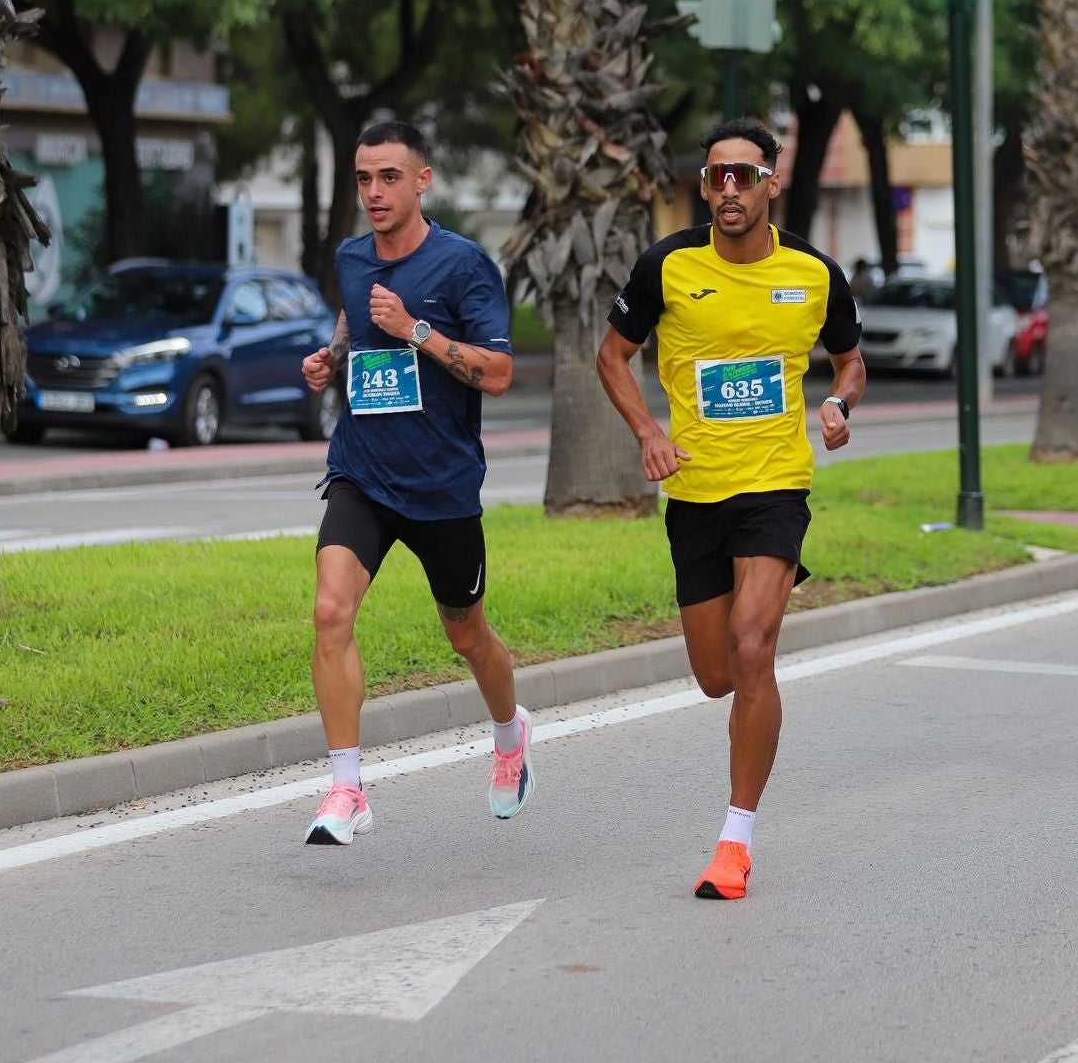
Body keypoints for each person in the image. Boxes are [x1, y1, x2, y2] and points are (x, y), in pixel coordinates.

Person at [596, 118, 865, 900]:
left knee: (755, 646)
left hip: (776, 483)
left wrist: (841, 406)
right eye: (716, 177)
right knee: (717, 674)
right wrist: (648, 430)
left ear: (772, 183)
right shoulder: (668, 266)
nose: (729, 190)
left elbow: (849, 363)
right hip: (695, 492)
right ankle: (741, 773)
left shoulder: (813, 274)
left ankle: (735, 842)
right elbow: (612, 356)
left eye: (744, 175)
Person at [298, 120, 532, 845]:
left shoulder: (465, 267)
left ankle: (509, 733)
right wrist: (332, 355)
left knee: (466, 634)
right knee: (331, 610)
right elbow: (353, 313)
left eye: (389, 177)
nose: (374, 192)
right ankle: (346, 789)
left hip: (441, 485)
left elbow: (497, 375)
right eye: (364, 178)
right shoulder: (351, 255)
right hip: (362, 470)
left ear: (422, 180)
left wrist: (416, 332)